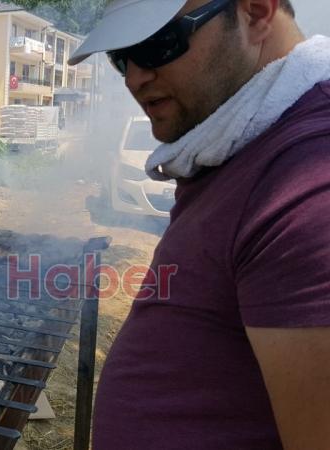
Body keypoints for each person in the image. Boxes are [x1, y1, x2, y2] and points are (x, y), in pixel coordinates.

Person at [69, 0, 330, 448]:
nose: (133, 78)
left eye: (158, 44)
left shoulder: (310, 186)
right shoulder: (241, 150)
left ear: (256, 13)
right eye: (121, 57)